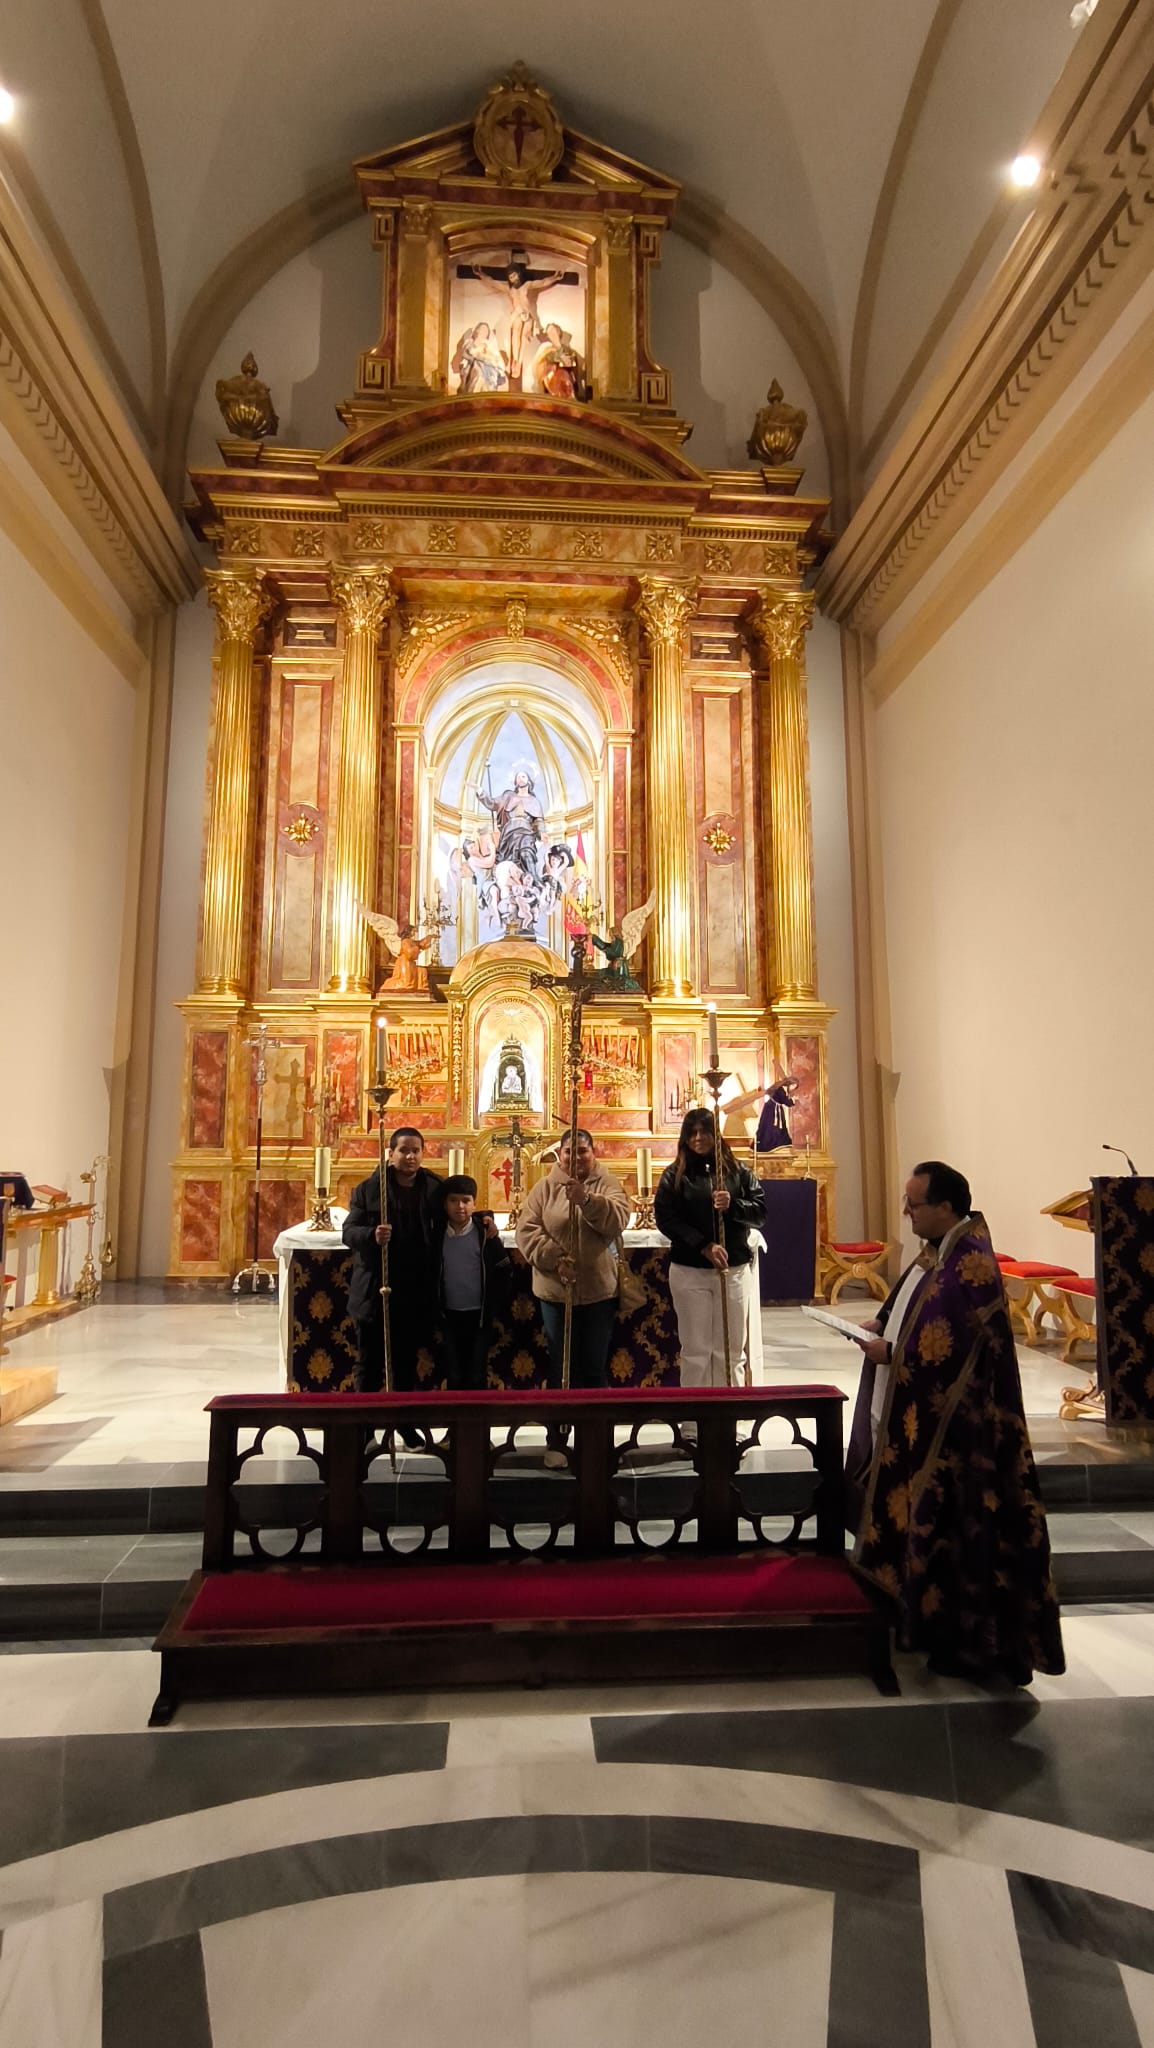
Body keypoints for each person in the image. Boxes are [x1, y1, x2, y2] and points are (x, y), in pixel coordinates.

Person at [847, 1160, 1065, 1685]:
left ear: (946, 1207)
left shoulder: (971, 1265)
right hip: (936, 1427)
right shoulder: (939, 1251)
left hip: (968, 1440)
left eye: (914, 1203)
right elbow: (916, 1308)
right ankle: (921, 1620)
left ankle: (968, 1644)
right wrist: (885, 1322)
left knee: (964, 1536)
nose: (906, 1212)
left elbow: (953, 1350)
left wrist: (891, 1353)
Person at [516, 1129, 630, 1466]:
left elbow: (618, 1221)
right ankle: (557, 1439)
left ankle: (597, 1439)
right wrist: (556, 1259)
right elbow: (527, 1230)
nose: (575, 1157)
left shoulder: (606, 1182)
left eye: (582, 1151)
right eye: (569, 1152)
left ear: (593, 1153)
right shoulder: (544, 1187)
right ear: (560, 1154)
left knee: (594, 1367)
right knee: (561, 1366)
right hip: (556, 1292)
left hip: (597, 1292)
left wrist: (587, 1201)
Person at [654, 1108, 766, 1387]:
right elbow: (666, 1219)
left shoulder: (738, 1172)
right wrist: (703, 1245)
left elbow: (760, 1213)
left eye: (704, 1131)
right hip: (690, 1270)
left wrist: (734, 1205)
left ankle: (731, 1409)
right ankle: (695, 1412)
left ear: (715, 1134)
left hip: (733, 1269)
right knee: (696, 1352)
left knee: (731, 1351)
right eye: (692, 1132)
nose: (698, 1138)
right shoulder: (674, 1175)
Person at [342, 1130, 444, 1436]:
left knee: (405, 1362)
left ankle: (403, 1423)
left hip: (414, 1289)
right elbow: (348, 1232)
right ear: (390, 1154)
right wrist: (371, 1235)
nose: (410, 1156)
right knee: (370, 1363)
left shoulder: (434, 1188)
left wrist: (485, 1222)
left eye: (416, 1150)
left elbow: (458, 1214)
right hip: (377, 1288)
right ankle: (363, 1429)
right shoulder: (369, 1189)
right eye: (403, 1150)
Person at [437, 1176, 510, 1391]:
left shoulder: (485, 1235)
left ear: (474, 1204)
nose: (460, 1206)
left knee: (477, 1373)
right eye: (453, 1200)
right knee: (453, 1372)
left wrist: (493, 1304)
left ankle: (478, 1413)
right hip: (449, 1313)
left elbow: (503, 1269)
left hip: (479, 1315)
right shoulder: (436, 1234)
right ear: (444, 1204)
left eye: (466, 1201)